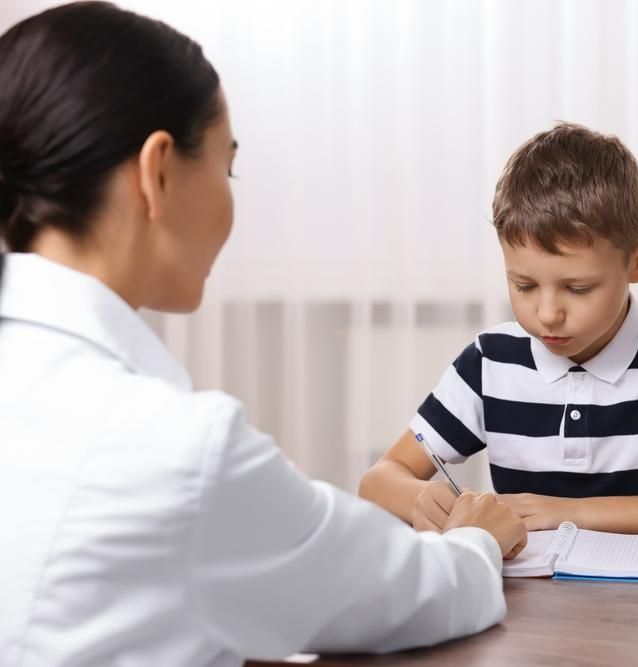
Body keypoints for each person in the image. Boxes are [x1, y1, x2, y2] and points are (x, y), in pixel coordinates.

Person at [0, 3, 526, 665]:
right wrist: (477, 540)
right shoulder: (175, 449)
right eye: (228, 167)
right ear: (157, 171)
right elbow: (405, 592)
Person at [360, 123, 638, 539]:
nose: (547, 314)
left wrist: (570, 513)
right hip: (533, 601)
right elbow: (379, 480)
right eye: (524, 286)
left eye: (577, 288)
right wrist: (418, 498)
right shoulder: (491, 361)